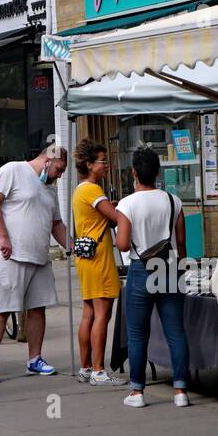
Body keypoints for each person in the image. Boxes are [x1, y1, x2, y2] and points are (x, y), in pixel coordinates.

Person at [0, 140, 68, 384]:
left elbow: (56, 224)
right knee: (2, 307)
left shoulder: (49, 189)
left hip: (38, 256)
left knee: (38, 307)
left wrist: (72, 246)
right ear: (47, 160)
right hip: (8, 255)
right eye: (59, 169)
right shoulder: (13, 170)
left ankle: (35, 358)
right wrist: (3, 235)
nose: (59, 175)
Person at [115, 147, 189, 407]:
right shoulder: (173, 201)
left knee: (137, 334)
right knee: (176, 331)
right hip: (169, 267)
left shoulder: (127, 204)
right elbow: (181, 242)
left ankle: (137, 392)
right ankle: (180, 391)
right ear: (157, 172)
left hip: (140, 270)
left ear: (134, 173)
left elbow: (123, 245)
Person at [71, 141, 122, 386]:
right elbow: (116, 217)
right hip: (99, 256)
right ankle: (99, 370)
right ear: (90, 165)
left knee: (89, 313)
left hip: (85, 258)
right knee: (102, 313)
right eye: (102, 160)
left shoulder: (80, 190)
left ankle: (86, 366)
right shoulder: (92, 190)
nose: (106, 164)